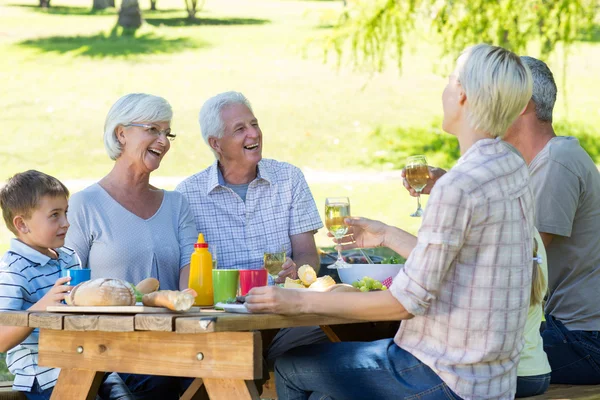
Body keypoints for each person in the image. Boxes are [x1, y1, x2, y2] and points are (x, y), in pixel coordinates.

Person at [245, 43, 535, 400]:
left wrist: (298, 302)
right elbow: (464, 262)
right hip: (493, 379)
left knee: (292, 366)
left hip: (443, 374)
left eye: (448, 80)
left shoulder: (459, 186)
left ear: (461, 94)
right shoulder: (511, 167)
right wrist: (387, 234)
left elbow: (402, 304)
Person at [408, 56, 600, 386]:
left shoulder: (559, 161)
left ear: (521, 104)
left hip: (582, 340)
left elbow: (510, 258)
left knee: (430, 358)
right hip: (553, 330)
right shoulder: (524, 165)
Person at [176, 91, 327, 363]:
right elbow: (188, 276)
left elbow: (308, 254)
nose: (254, 135)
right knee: (227, 362)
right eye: (240, 129)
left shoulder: (289, 179)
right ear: (216, 143)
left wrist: (298, 271)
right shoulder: (188, 194)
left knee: (322, 342)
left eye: (254, 124)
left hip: (284, 317)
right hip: (223, 323)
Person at [65, 93, 198, 399]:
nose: (163, 141)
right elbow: (70, 287)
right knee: (161, 379)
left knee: (228, 368)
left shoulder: (177, 205)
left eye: (167, 133)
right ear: (121, 133)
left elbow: (190, 283)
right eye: (153, 129)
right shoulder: (85, 204)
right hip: (110, 345)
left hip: (175, 340)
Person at [0, 170, 132, 400]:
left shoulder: (68, 257)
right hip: (45, 375)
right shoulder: (13, 270)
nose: (66, 223)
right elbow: (2, 340)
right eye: (55, 215)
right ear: (22, 224)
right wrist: (39, 309)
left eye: (66, 213)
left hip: (89, 361)